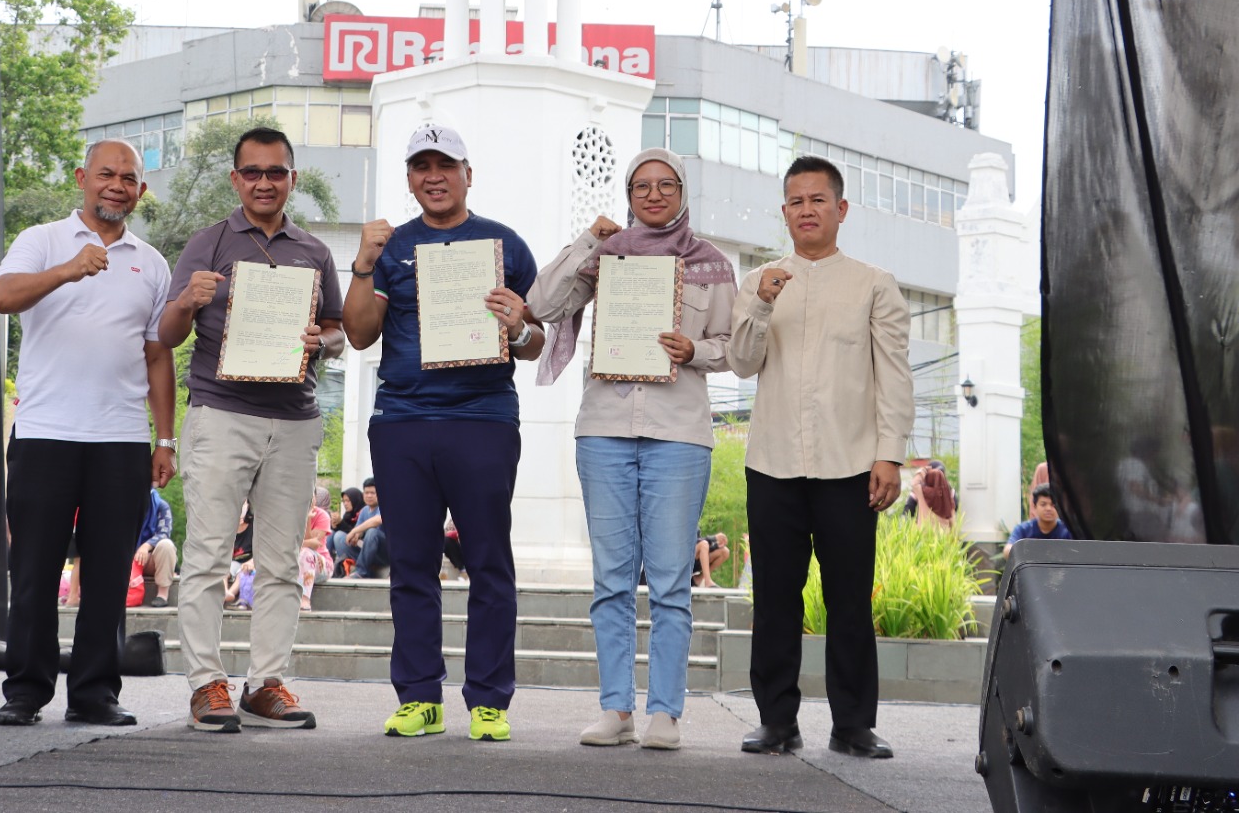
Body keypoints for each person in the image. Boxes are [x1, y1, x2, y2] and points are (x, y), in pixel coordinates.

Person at [528, 146, 736, 751]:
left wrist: (692, 351)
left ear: (683, 191)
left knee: (671, 581)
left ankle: (666, 712)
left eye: (664, 184)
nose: (652, 195)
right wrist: (586, 242)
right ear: (627, 195)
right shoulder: (607, 254)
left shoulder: (712, 265)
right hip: (605, 430)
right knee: (611, 579)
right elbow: (541, 304)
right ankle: (615, 708)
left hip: (679, 434)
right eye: (640, 186)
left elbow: (736, 348)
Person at [342, 125, 543, 744]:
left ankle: (489, 701)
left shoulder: (505, 244)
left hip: (483, 419)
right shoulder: (392, 247)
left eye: (445, 165)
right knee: (411, 563)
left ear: (467, 173)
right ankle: (420, 697)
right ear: (409, 178)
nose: (433, 176)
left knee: (488, 561)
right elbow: (357, 334)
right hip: (402, 422)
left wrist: (517, 328)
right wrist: (363, 264)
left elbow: (536, 343)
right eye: (420, 166)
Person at [727, 155, 912, 760]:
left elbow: (894, 375)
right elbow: (742, 363)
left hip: (850, 463)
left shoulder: (873, 283)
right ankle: (776, 720)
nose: (807, 210)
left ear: (841, 209)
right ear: (784, 212)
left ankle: (853, 724)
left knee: (849, 597)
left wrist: (890, 455)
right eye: (795, 202)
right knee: (775, 597)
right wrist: (759, 304)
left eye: (818, 200)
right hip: (773, 463)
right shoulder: (759, 281)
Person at [161, 126, 344, 734]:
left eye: (277, 172)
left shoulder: (313, 252)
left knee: (282, 562)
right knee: (209, 554)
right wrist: (188, 298)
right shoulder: (207, 243)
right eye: (253, 172)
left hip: (294, 418)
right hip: (221, 412)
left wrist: (327, 340)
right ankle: (205, 684)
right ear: (236, 179)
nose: (265, 182)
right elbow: (164, 335)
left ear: (292, 178)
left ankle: (265, 684)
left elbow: (337, 330)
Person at [0, 138, 176, 728]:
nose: (116, 185)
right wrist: (72, 268)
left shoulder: (152, 262)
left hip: (120, 438)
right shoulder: (42, 240)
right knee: (37, 569)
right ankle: (25, 691)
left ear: (141, 191)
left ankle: (95, 692)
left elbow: (157, 355)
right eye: (106, 174)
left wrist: (164, 438)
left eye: (128, 178)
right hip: (46, 431)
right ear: (82, 178)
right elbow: (1, 297)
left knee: (107, 574)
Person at [1004, 484, 1073, 557]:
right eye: (1043, 504)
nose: (1048, 509)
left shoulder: (1068, 530)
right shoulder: (1023, 529)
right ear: (1035, 506)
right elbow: (1007, 551)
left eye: (1053, 505)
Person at [136, 488, 178, 608]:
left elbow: (164, 532)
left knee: (166, 545)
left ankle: (162, 595)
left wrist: (146, 546)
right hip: (126, 557)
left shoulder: (161, 505)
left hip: (148, 559)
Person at [339, 479, 386, 578]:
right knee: (339, 537)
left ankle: (361, 572)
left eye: (373, 493)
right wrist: (355, 536)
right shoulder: (364, 510)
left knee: (372, 532)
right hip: (369, 551)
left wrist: (355, 531)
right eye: (366, 493)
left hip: (385, 552)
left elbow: (377, 520)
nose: (369, 496)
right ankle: (345, 567)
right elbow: (358, 531)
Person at [299, 495, 332, 610]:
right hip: (293, 560)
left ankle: (304, 597)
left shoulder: (322, 516)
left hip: (321, 565)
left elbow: (314, 545)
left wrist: (307, 519)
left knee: (305, 553)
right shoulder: (289, 514)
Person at [911, 467, 956, 531]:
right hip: (943, 536)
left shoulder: (923, 493)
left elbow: (914, 483)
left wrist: (924, 470)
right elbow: (952, 521)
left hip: (924, 533)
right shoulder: (947, 498)